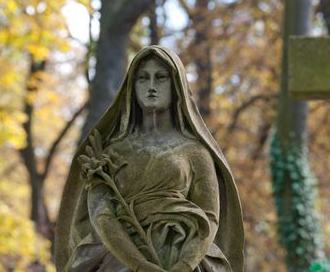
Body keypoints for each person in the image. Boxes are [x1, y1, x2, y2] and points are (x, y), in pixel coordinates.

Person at [55, 46, 244, 272]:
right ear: (131, 87)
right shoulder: (110, 151)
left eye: (161, 78)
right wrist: (140, 265)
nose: (151, 87)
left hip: (185, 260)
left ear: (176, 86)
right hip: (119, 261)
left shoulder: (196, 152)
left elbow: (210, 218)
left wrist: (185, 265)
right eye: (143, 78)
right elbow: (102, 215)